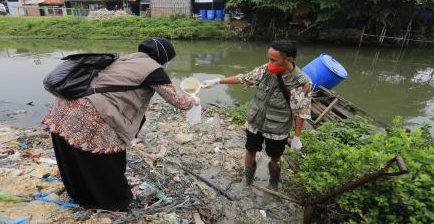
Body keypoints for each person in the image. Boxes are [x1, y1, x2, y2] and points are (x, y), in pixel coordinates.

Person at [42, 37, 199, 211]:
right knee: (105, 161)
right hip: (90, 112)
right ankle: (112, 202)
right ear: (164, 57)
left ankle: (79, 194)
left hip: (64, 105)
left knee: (73, 155)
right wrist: (193, 100)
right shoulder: (153, 69)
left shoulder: (125, 58)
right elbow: (179, 101)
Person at [201, 41, 311, 190]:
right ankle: (247, 180)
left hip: (277, 129)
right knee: (250, 150)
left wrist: (297, 137)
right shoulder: (266, 70)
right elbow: (243, 78)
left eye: (274, 60)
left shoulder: (301, 82)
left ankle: (273, 184)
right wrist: (217, 81)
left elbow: (302, 111)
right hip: (255, 122)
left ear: (289, 60)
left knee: (275, 157)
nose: (269, 63)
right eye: (269, 58)